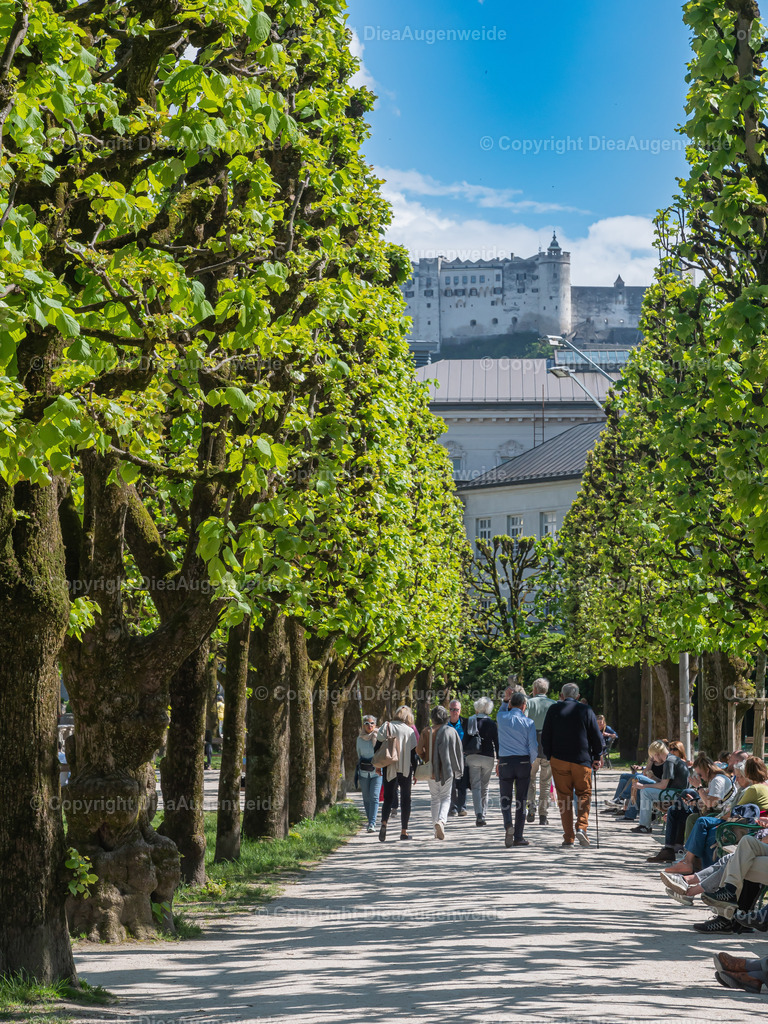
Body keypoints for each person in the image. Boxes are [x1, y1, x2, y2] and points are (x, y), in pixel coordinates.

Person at [541, 681, 603, 848]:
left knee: (564, 797)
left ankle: (568, 837)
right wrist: (597, 755)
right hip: (582, 760)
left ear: (561, 696)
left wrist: (549, 755)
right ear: (577, 696)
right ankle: (582, 828)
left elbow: (546, 735)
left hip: (559, 759)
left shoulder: (554, 709)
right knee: (584, 794)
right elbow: (596, 736)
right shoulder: (586, 710)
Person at [416, 705, 465, 840]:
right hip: (447, 770)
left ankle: (435, 829)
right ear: (445, 717)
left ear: (432, 717)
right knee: (446, 797)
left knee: (435, 799)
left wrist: (426, 757)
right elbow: (458, 751)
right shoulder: (451, 731)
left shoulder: (426, 731)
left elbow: (418, 750)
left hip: (431, 770)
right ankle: (441, 821)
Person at [496, 691, 537, 848]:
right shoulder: (529, 723)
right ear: (524, 706)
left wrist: (506, 699)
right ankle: (519, 836)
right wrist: (531, 761)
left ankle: (508, 825)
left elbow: (502, 709)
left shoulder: (501, 717)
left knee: (505, 798)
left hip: (505, 761)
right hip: (523, 761)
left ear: (511, 705)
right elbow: (533, 746)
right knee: (521, 799)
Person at [629, 740, 690, 835]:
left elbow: (663, 786)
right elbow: (666, 783)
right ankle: (644, 824)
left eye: (653, 756)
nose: (653, 759)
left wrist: (643, 786)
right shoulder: (671, 759)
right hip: (676, 792)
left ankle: (645, 826)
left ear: (657, 754)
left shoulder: (668, 762)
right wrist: (653, 778)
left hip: (676, 795)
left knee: (645, 791)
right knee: (646, 790)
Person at [377, 706, 418, 842]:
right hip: (405, 768)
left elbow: (377, 748)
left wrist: (377, 766)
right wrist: (415, 772)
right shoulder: (409, 731)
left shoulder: (386, 726)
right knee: (406, 799)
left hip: (389, 767)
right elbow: (413, 754)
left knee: (388, 798)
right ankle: (404, 831)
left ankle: (384, 823)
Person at [463, 697, 498, 826]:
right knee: (485, 787)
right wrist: (499, 759)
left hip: (473, 756)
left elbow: (464, 740)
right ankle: (483, 814)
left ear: (477, 708)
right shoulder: (492, 723)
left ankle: (478, 814)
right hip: (488, 757)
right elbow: (497, 742)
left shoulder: (470, 720)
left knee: (476, 786)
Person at [525, 677, 556, 826]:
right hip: (548, 747)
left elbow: (523, 723)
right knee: (545, 782)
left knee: (530, 779)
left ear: (535, 689)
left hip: (532, 746)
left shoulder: (529, 703)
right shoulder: (553, 704)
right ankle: (543, 815)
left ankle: (531, 806)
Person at [357, 714, 382, 832]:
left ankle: (372, 823)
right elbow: (359, 755)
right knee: (366, 798)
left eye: (372, 723)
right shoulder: (359, 739)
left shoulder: (379, 737)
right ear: (363, 725)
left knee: (374, 797)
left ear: (375, 724)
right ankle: (369, 821)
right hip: (363, 772)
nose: (369, 725)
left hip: (376, 772)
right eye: (367, 723)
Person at [447, 699, 469, 817]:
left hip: (463, 756)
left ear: (460, 710)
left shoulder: (465, 722)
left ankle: (462, 807)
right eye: (451, 709)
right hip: (449, 757)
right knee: (451, 783)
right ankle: (453, 807)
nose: (454, 711)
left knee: (462, 783)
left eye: (456, 709)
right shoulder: (445, 724)